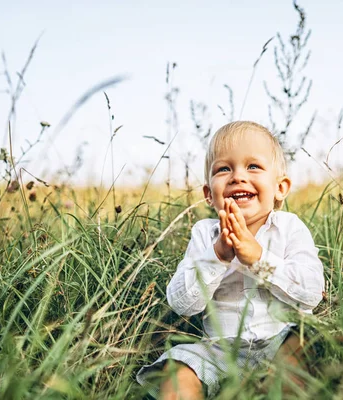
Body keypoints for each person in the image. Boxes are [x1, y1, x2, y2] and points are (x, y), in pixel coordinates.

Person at [136, 121, 325, 399]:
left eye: (253, 167)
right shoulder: (204, 235)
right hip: (218, 349)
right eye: (224, 169)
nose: (238, 177)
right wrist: (217, 256)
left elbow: (310, 293)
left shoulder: (290, 228)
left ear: (280, 187)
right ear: (208, 195)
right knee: (178, 372)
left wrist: (259, 259)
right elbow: (181, 303)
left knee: (302, 345)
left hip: (281, 340)